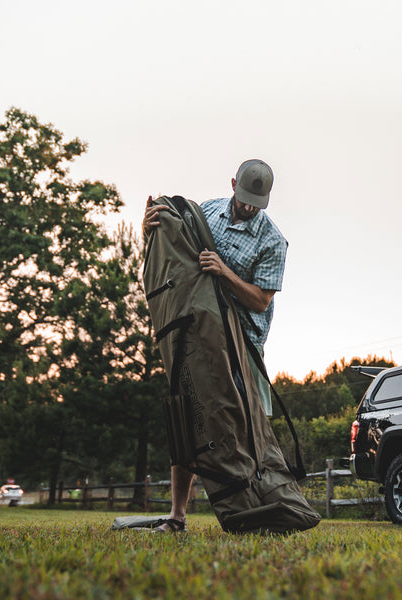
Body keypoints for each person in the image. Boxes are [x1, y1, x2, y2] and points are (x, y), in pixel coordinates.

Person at [142, 159, 288, 532]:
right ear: (233, 183)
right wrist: (151, 231)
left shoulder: (273, 241)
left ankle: (260, 509)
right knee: (187, 417)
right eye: (244, 198)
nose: (249, 206)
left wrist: (224, 271)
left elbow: (261, 300)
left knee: (248, 431)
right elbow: (176, 253)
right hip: (199, 336)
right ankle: (177, 517)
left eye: (257, 201)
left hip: (244, 346)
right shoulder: (206, 211)